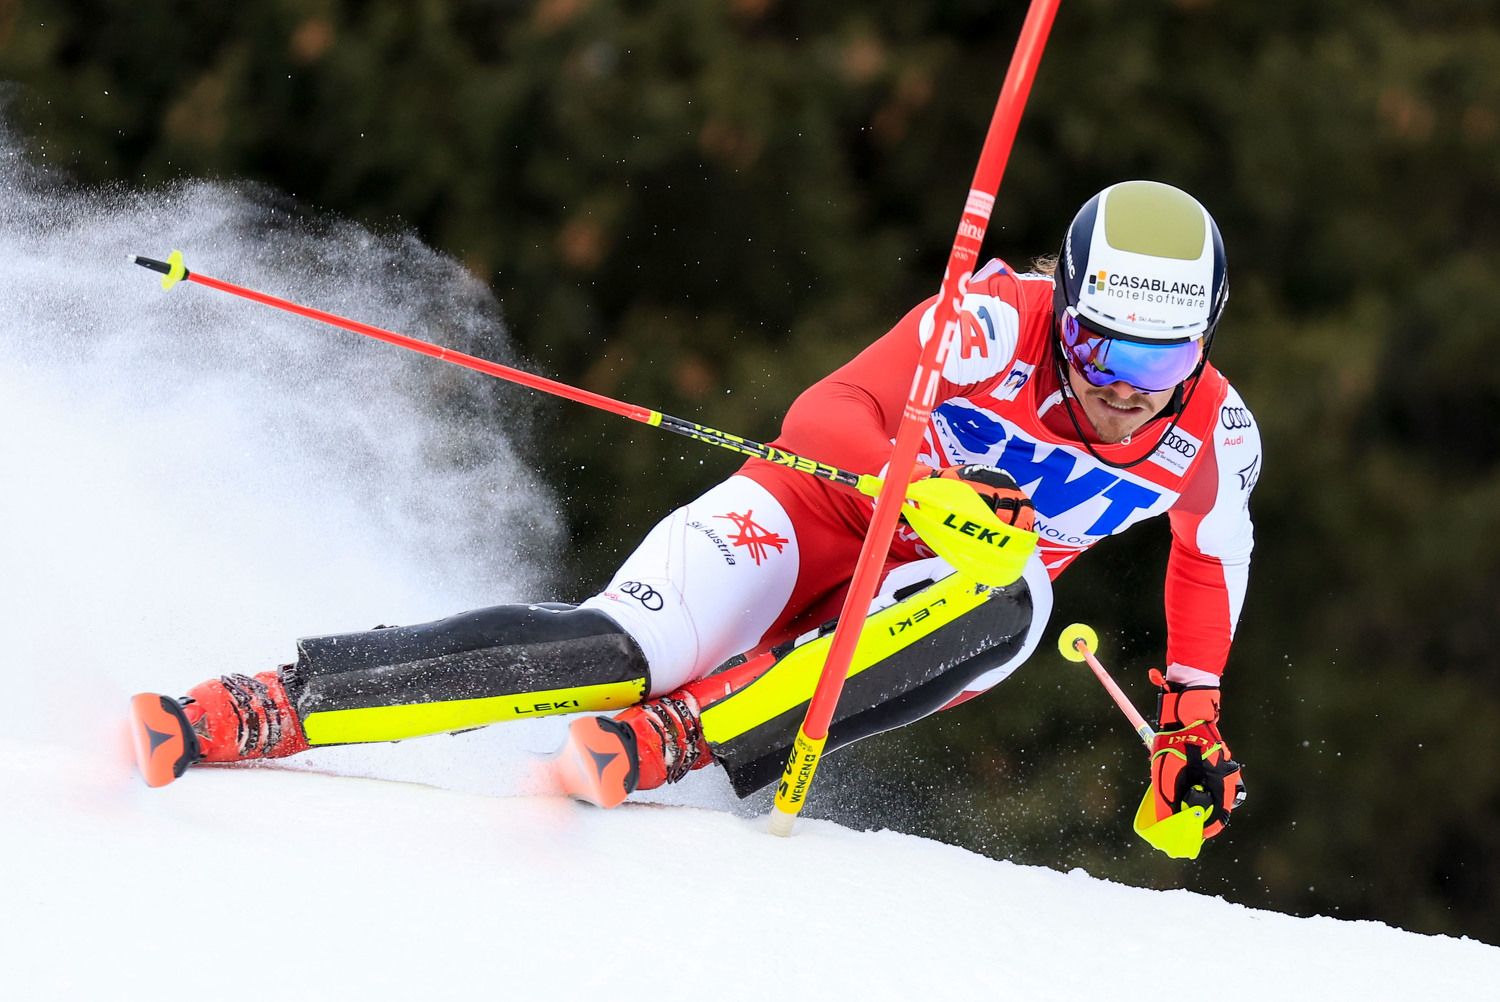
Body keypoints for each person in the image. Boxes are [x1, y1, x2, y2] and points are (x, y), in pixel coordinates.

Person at [131, 180, 1253, 842]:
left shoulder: (1216, 434)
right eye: (1104, 345)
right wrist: (927, 488)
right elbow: (826, 413)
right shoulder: (997, 321)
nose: (1125, 385)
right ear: (1067, 308)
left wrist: (1191, 726)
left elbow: (1206, 563)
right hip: (808, 517)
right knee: (615, 650)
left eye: (1165, 356)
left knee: (1012, 594)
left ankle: (687, 738)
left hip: (924, 614)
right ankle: (264, 705)